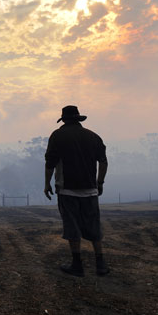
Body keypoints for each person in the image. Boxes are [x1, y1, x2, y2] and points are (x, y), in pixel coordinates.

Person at [44, 105, 109, 277]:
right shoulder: (93, 137)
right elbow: (103, 162)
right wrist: (99, 183)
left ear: (64, 120)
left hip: (67, 191)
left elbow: (50, 163)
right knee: (94, 226)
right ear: (79, 119)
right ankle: (100, 264)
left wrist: (47, 183)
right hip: (90, 191)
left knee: (72, 227)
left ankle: (77, 264)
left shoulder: (58, 136)